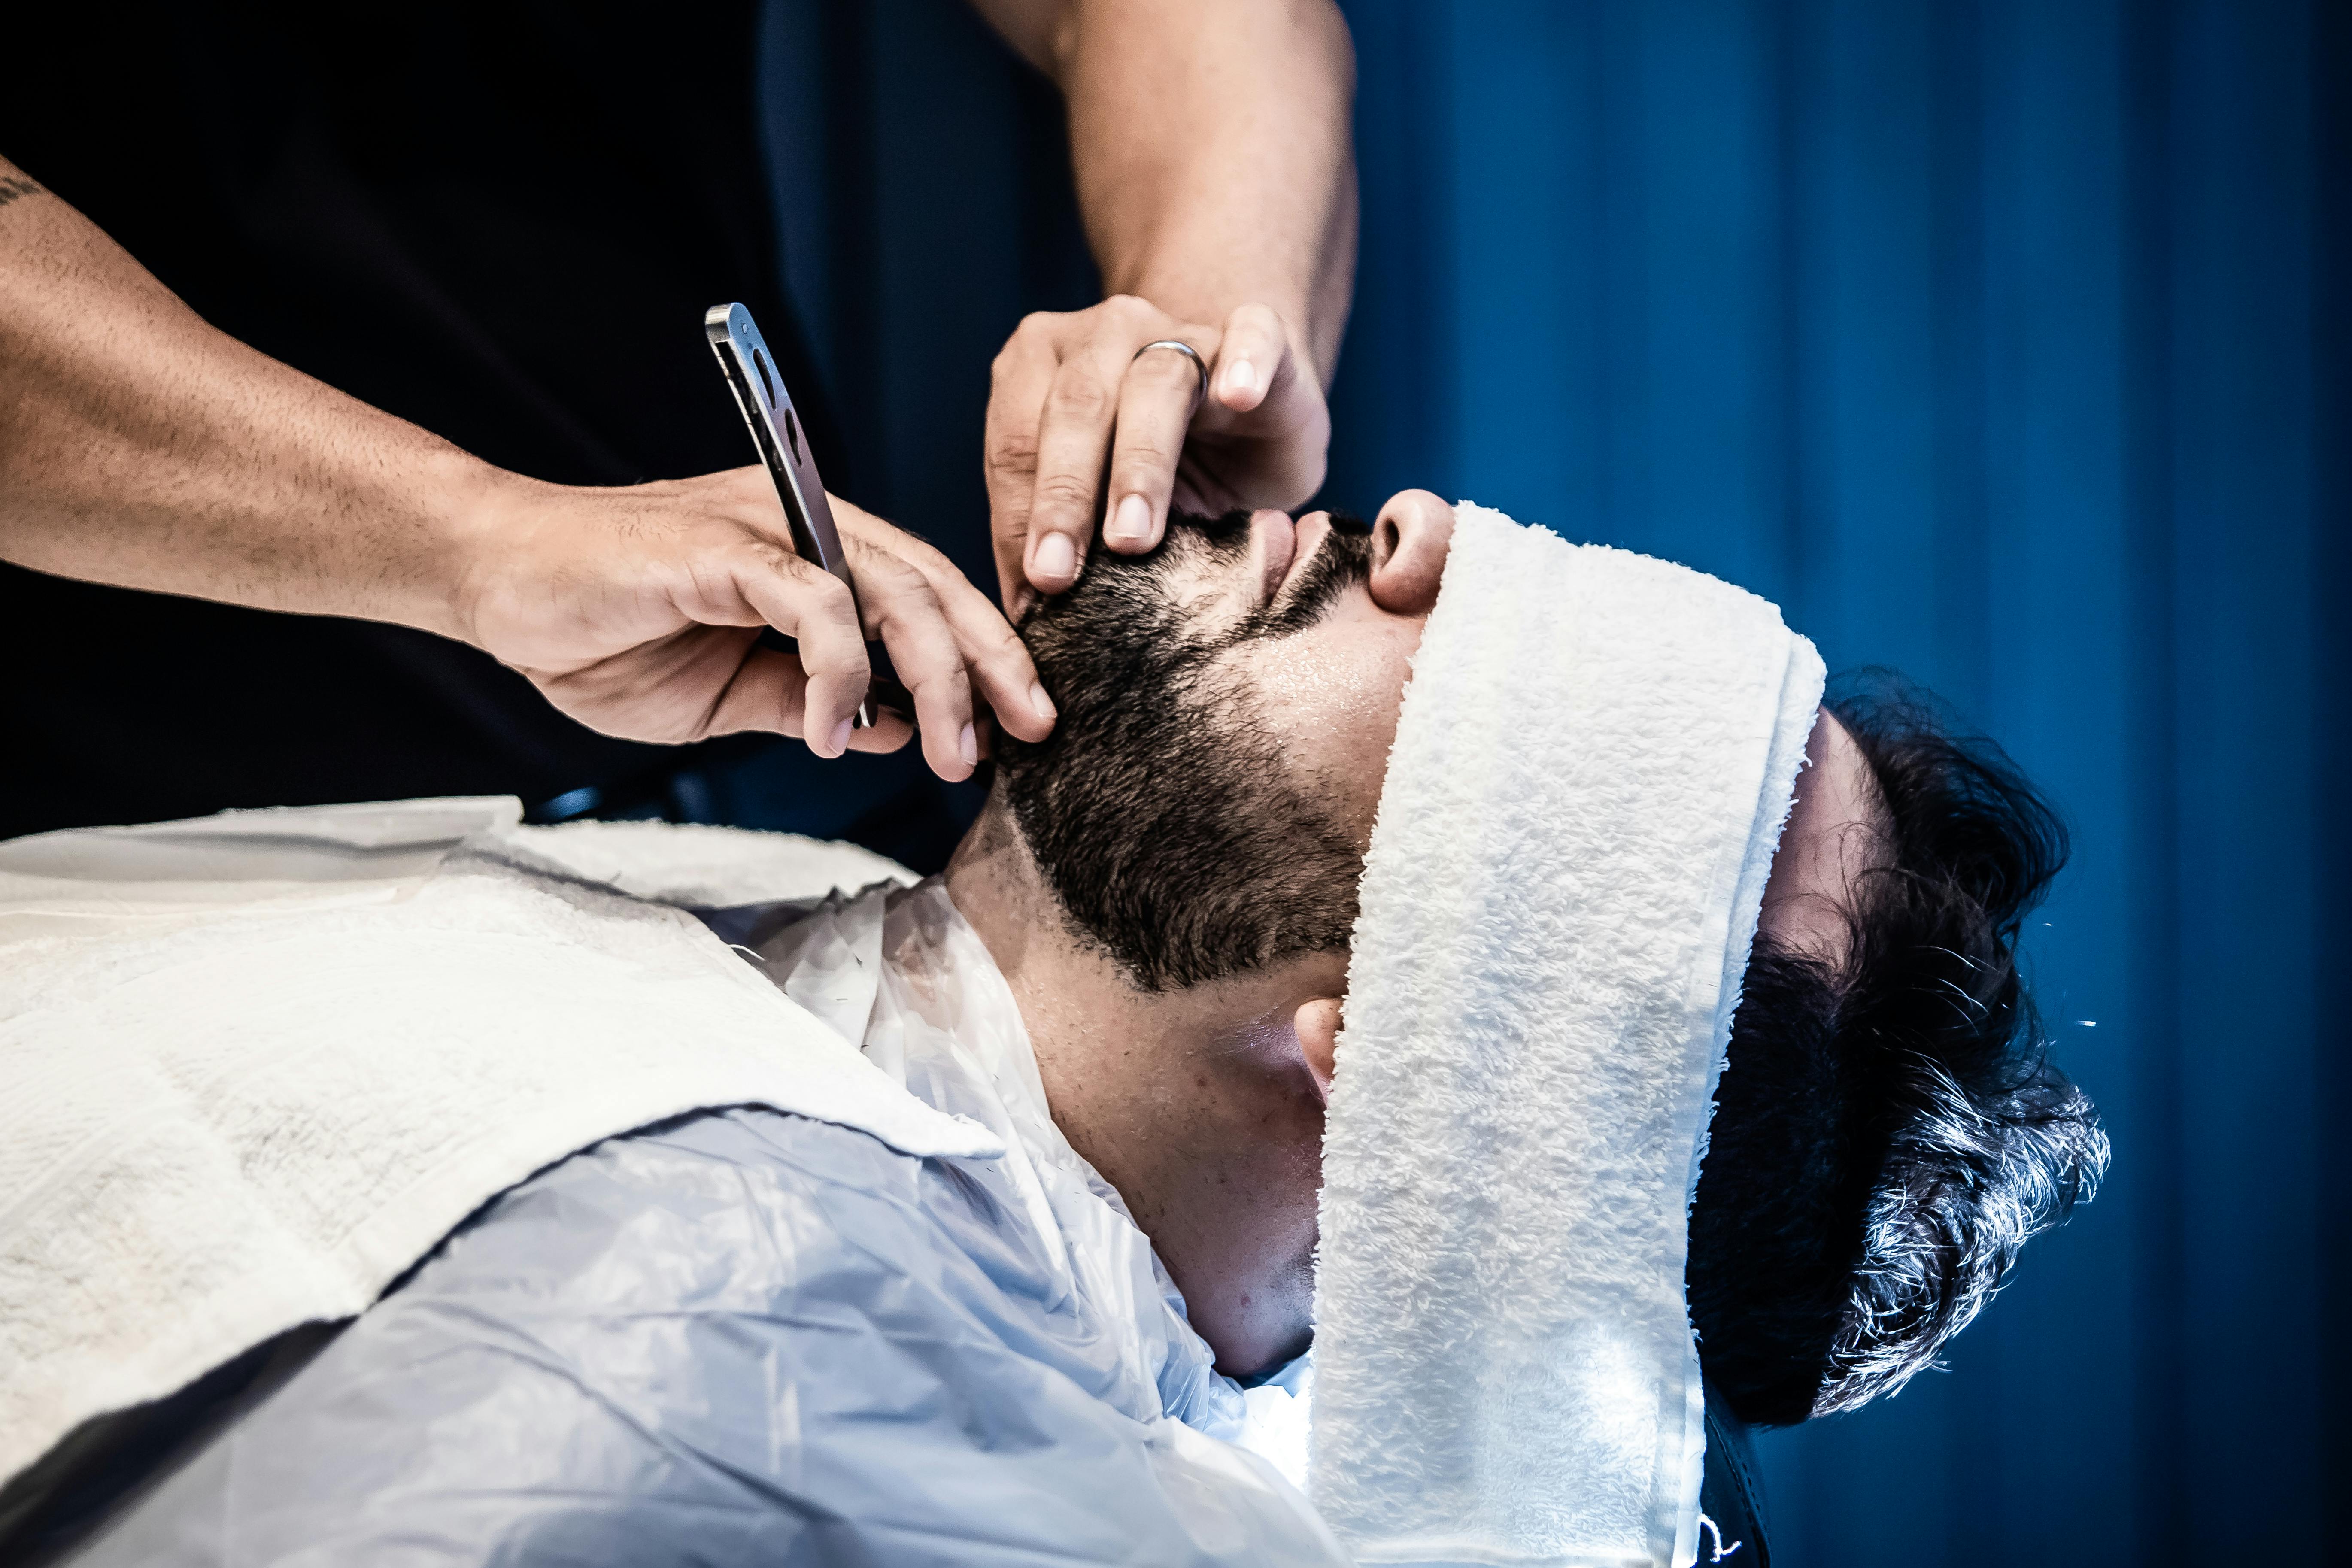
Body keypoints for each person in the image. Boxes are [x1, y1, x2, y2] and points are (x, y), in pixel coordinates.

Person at [9, 493, 2107, 1564]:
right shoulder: (831, 1014)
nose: (1416, 533)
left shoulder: (702, 1376)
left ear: (1421, 1073)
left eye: (1574, 716)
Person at [0, 0, 1356, 839]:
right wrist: (478, 540)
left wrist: (1213, 322)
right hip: (127, 854)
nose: (1405, 536)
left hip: (769, 811)